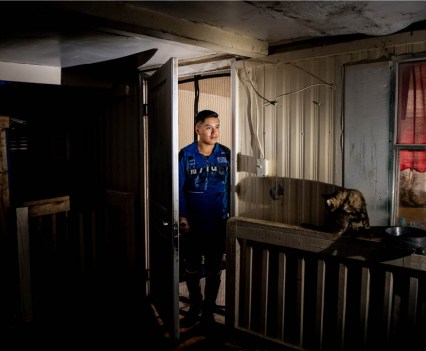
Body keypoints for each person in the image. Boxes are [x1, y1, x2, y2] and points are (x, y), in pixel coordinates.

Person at [178, 109, 231, 328]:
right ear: (197, 129)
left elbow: (231, 187)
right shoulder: (185, 154)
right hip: (192, 224)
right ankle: (195, 307)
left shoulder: (226, 154)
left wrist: (231, 217)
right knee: (191, 268)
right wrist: (182, 215)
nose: (214, 131)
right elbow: (179, 188)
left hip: (217, 223)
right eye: (209, 127)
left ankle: (208, 310)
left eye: (217, 126)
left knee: (213, 270)